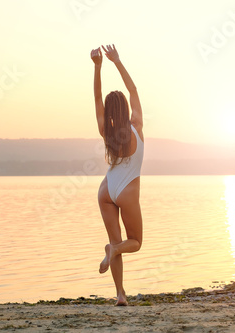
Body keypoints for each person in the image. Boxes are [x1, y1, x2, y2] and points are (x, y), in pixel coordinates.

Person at [90, 44, 144, 306]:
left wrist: (97, 66)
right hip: (127, 192)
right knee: (133, 242)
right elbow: (133, 90)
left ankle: (120, 294)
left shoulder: (106, 132)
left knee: (115, 240)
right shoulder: (137, 127)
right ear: (125, 108)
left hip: (106, 190)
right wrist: (117, 62)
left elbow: (97, 98)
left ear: (110, 114)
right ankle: (113, 250)